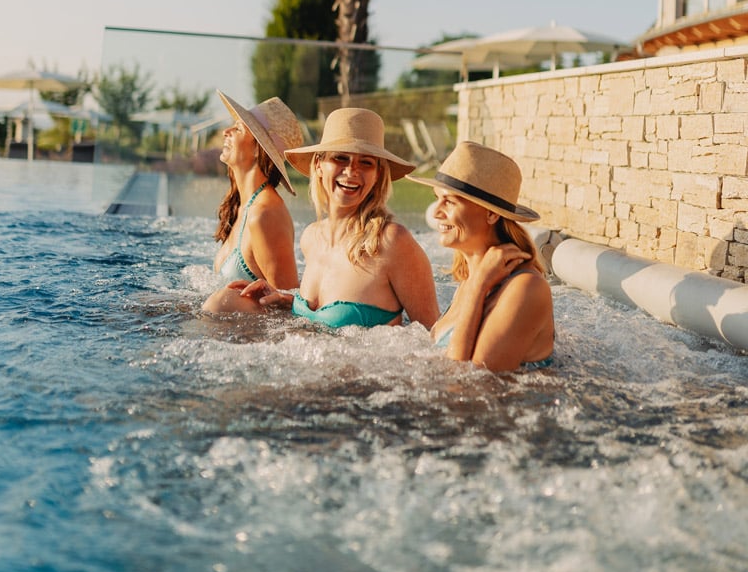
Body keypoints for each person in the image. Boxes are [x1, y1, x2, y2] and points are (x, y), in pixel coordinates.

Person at [232, 107, 440, 329]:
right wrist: (287, 301)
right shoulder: (311, 238)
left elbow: (433, 336)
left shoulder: (391, 242)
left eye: (366, 163)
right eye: (341, 158)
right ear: (319, 165)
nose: (351, 171)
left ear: (378, 174)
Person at [411, 141, 554, 372]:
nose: (436, 212)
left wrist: (478, 286)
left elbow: (469, 384)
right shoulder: (468, 281)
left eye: (449, 201)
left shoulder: (527, 288)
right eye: (437, 198)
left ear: (490, 214)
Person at [201, 91, 304, 315]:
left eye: (237, 129)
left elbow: (289, 306)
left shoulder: (265, 213)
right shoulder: (242, 206)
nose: (225, 132)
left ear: (258, 149)